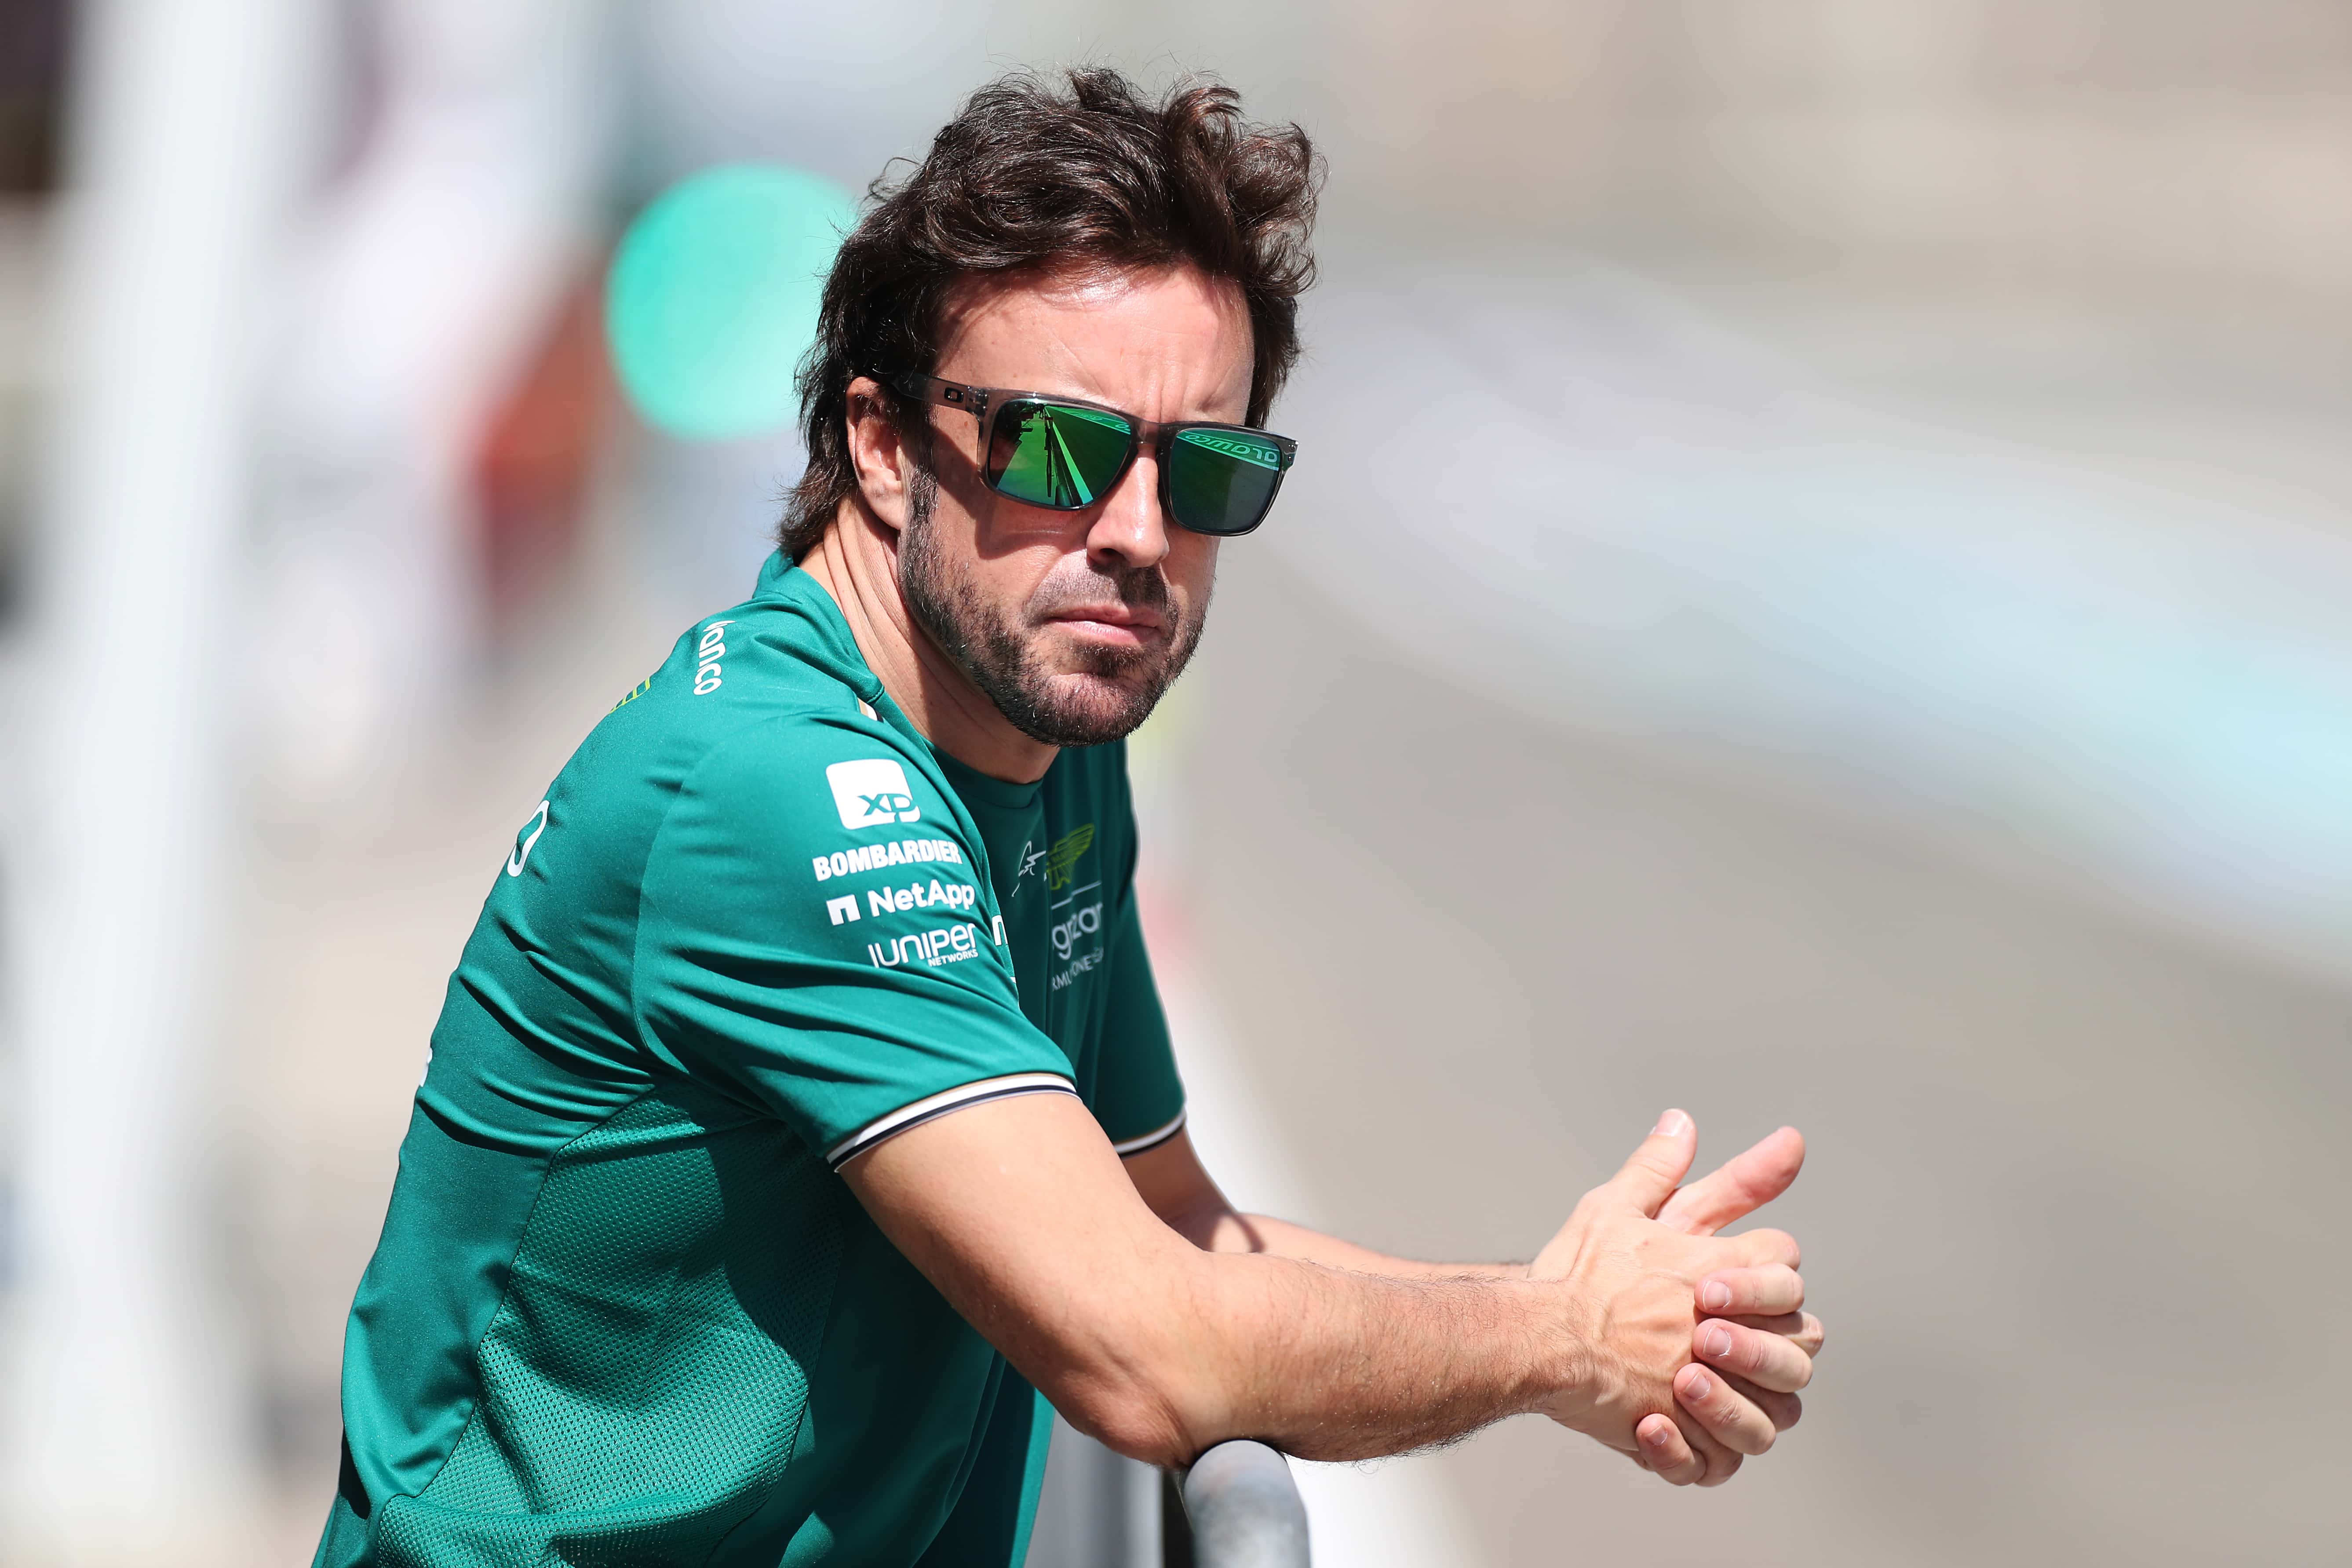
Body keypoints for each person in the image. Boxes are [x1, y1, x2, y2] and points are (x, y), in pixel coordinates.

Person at [316, 69, 1824, 1568]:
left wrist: (1566, 1303)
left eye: (1209, 469)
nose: (1137, 535)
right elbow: (1143, 1350)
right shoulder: (776, 789)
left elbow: (1163, 1222)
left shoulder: (1047, 718)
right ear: (887, 444)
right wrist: (1552, 1340)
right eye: (1059, 447)